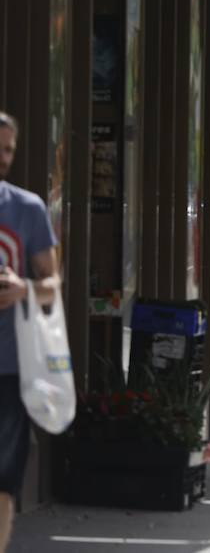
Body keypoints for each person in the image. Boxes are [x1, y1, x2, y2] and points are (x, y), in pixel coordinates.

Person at [0, 113, 61, 551]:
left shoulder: (27, 209)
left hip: (10, 366)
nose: (3, 158)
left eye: (8, 150)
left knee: (3, 479)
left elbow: (53, 286)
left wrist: (24, 288)